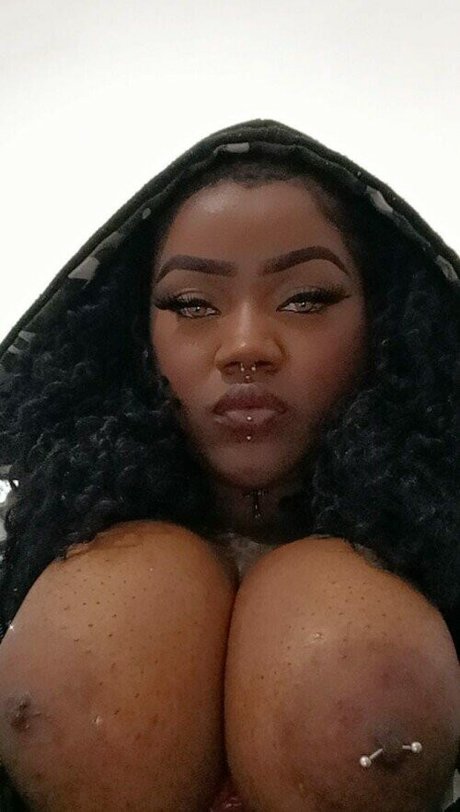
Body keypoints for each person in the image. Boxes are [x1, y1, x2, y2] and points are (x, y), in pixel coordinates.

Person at [0, 118, 458, 810]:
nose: (246, 345)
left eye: (306, 299)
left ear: (389, 326)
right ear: (132, 338)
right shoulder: (30, 549)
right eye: (192, 304)